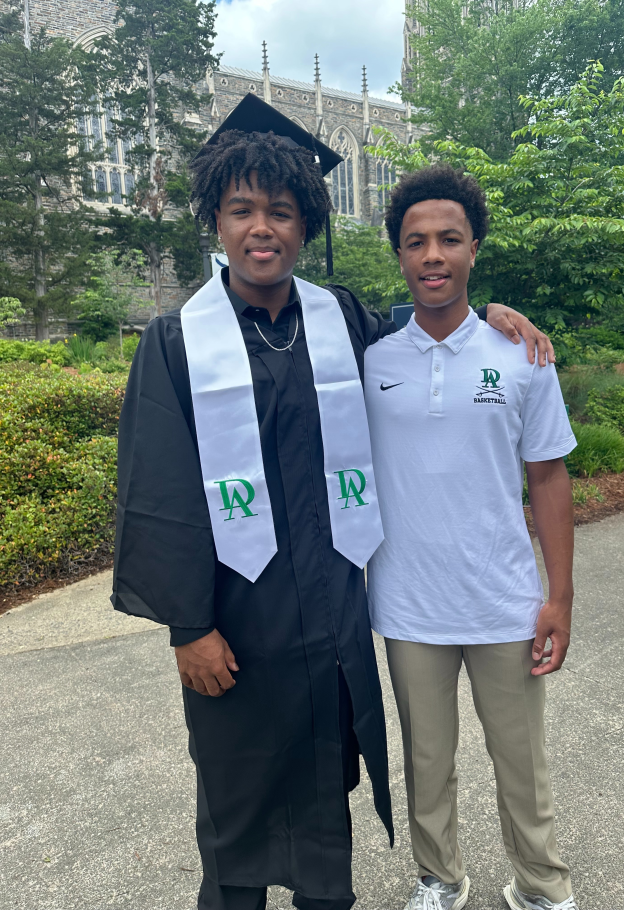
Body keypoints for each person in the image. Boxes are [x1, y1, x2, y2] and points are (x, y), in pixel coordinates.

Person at [111, 93, 556, 910]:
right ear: (215, 219)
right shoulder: (177, 342)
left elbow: (425, 326)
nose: (262, 229)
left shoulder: (336, 320)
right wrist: (188, 626)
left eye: (281, 212)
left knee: (324, 777)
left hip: (326, 607)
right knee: (238, 785)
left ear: (305, 225)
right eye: (241, 210)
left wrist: (489, 315)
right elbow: (159, 495)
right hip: (234, 615)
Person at [364, 164, 579, 910]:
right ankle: (439, 878)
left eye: (448, 239)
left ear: (473, 249)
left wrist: (559, 598)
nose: (432, 255)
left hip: (503, 600)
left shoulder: (522, 355)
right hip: (406, 603)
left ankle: (541, 885)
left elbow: (548, 479)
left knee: (520, 759)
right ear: (398, 254)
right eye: (416, 241)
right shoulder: (371, 360)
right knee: (427, 761)